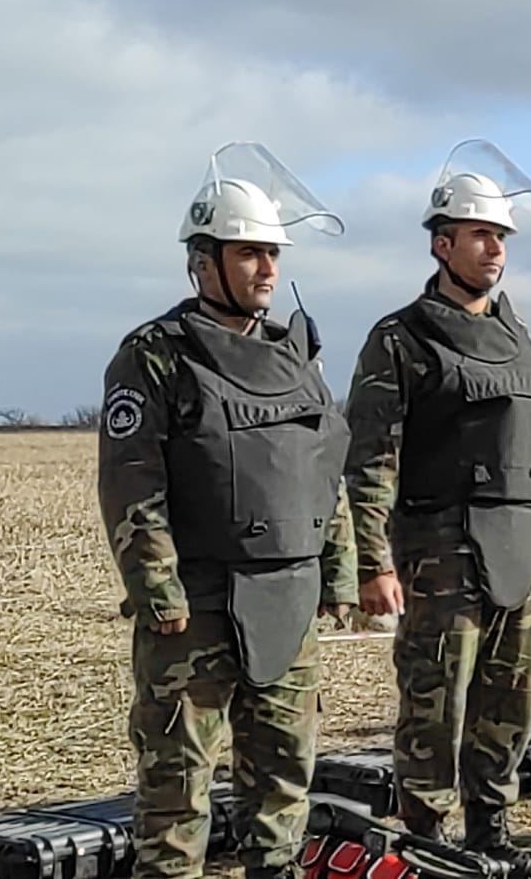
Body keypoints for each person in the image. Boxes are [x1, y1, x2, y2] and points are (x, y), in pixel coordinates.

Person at [98, 142, 354, 879]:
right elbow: (130, 480)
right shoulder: (155, 354)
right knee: (177, 785)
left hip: (287, 601)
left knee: (282, 782)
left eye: (272, 254)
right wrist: (158, 589)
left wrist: (337, 574)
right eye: (248, 253)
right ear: (203, 260)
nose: (266, 269)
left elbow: (321, 471)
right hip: (198, 608)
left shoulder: (296, 358)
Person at [342, 140, 531, 872]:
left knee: (512, 697)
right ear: (442, 243)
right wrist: (374, 561)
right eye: (479, 234)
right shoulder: (400, 339)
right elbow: (371, 457)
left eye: (500, 236)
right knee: (436, 700)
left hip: (519, 542)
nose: (493, 248)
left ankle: (490, 831)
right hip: (441, 546)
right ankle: (424, 838)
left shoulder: (518, 335)